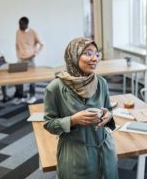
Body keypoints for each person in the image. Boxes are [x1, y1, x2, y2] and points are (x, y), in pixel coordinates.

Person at [43, 37, 118, 179]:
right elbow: (48, 124)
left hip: (105, 150)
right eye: (88, 53)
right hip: (75, 155)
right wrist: (72, 120)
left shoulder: (101, 82)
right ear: (73, 56)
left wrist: (108, 115)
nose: (95, 58)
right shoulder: (55, 88)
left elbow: (109, 110)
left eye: (97, 54)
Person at [14, 16, 44, 104]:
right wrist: (18, 54)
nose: (19, 25)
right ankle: (21, 96)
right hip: (20, 59)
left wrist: (35, 54)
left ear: (27, 24)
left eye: (21, 24)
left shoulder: (33, 32)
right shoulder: (17, 32)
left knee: (32, 79)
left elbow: (41, 44)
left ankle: (32, 96)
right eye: (19, 23)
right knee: (18, 79)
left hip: (30, 59)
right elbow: (16, 44)